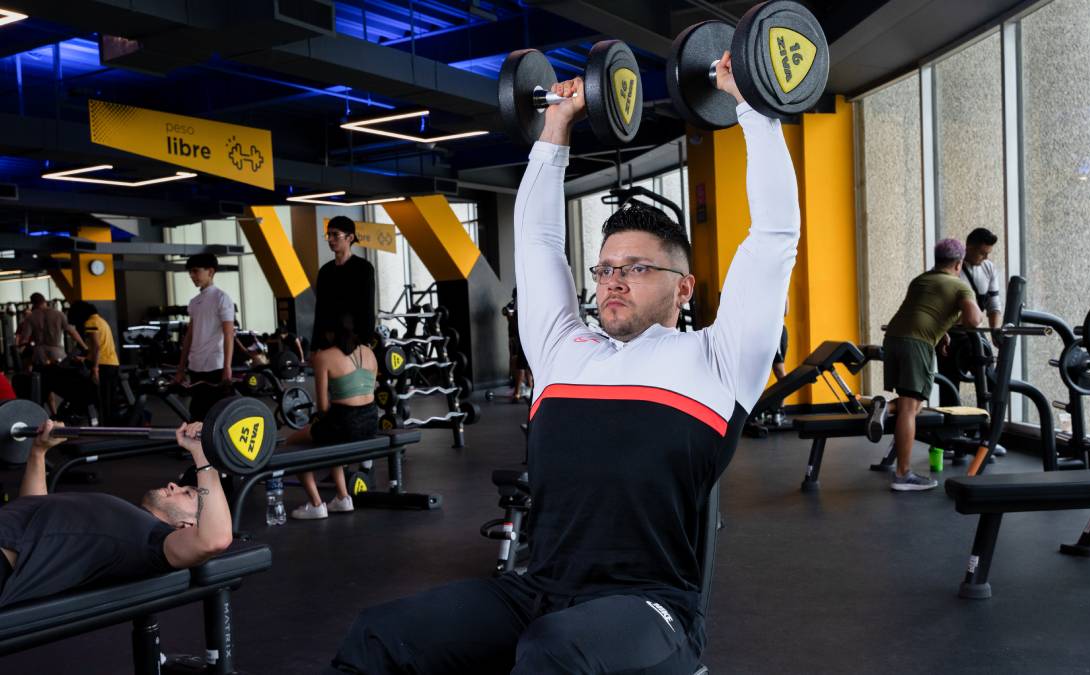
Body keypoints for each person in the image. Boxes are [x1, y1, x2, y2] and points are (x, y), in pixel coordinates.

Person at [329, 51, 798, 675]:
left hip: (651, 608)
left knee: (553, 654)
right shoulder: (562, 350)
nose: (613, 281)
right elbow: (541, 240)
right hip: (539, 591)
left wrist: (751, 107)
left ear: (683, 287)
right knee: (381, 634)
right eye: (605, 268)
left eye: (637, 268)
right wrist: (556, 124)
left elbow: (772, 238)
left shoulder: (718, 360)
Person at [0, 420, 233, 607]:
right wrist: (38, 453)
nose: (174, 485)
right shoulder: (131, 520)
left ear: (187, 526)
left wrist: (204, 456)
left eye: (187, 493)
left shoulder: (153, 542)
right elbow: (33, 507)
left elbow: (215, 540)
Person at [875, 238, 981, 492]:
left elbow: (922, 310)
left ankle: (884, 406)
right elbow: (974, 320)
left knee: (907, 401)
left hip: (893, 338)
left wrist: (941, 331)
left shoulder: (921, 279)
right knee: (910, 408)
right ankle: (902, 474)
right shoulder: (959, 285)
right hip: (916, 344)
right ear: (958, 263)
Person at [289, 314, 379, 520]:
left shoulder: (324, 357)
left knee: (294, 443)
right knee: (332, 438)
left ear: (330, 334)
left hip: (344, 423)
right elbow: (369, 391)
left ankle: (316, 504)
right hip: (371, 421)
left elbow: (322, 407)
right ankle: (343, 498)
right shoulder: (369, 352)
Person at [174, 253, 236, 423]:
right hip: (196, 366)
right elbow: (189, 336)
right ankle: (199, 448)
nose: (192, 276)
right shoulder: (194, 302)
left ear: (210, 271)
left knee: (217, 414)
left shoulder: (222, 298)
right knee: (197, 413)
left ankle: (218, 448)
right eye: (190, 273)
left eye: (195, 271)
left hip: (215, 366)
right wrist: (181, 368)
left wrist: (227, 367)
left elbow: (228, 334)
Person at [312, 216, 376, 350]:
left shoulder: (364, 268)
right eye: (328, 234)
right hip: (328, 340)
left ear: (350, 238)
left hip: (354, 340)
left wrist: (366, 341)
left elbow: (368, 307)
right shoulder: (325, 271)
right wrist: (315, 345)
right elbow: (320, 309)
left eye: (335, 235)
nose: (330, 239)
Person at [67, 302, 121, 425]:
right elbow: (99, 346)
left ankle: (105, 427)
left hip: (103, 365)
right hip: (112, 363)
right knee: (109, 399)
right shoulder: (101, 321)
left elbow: (96, 347)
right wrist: (85, 358)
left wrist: (95, 369)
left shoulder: (90, 323)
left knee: (101, 399)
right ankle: (111, 426)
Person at [17, 293, 85, 367]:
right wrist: (84, 346)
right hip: (56, 352)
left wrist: (21, 350)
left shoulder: (30, 317)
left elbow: (24, 339)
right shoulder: (59, 314)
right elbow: (72, 332)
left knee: (42, 376)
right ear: (45, 301)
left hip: (39, 354)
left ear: (33, 303)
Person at [961, 227, 1002, 331]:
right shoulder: (951, 267)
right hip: (953, 331)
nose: (986, 258)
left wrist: (995, 331)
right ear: (968, 248)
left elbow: (993, 303)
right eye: (982, 253)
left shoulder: (989, 267)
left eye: (988, 253)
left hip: (975, 330)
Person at [503, 288, 532, 402]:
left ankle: (518, 392)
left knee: (521, 365)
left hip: (523, 339)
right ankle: (523, 389)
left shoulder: (526, 304)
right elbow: (507, 313)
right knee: (521, 364)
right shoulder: (515, 304)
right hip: (517, 338)